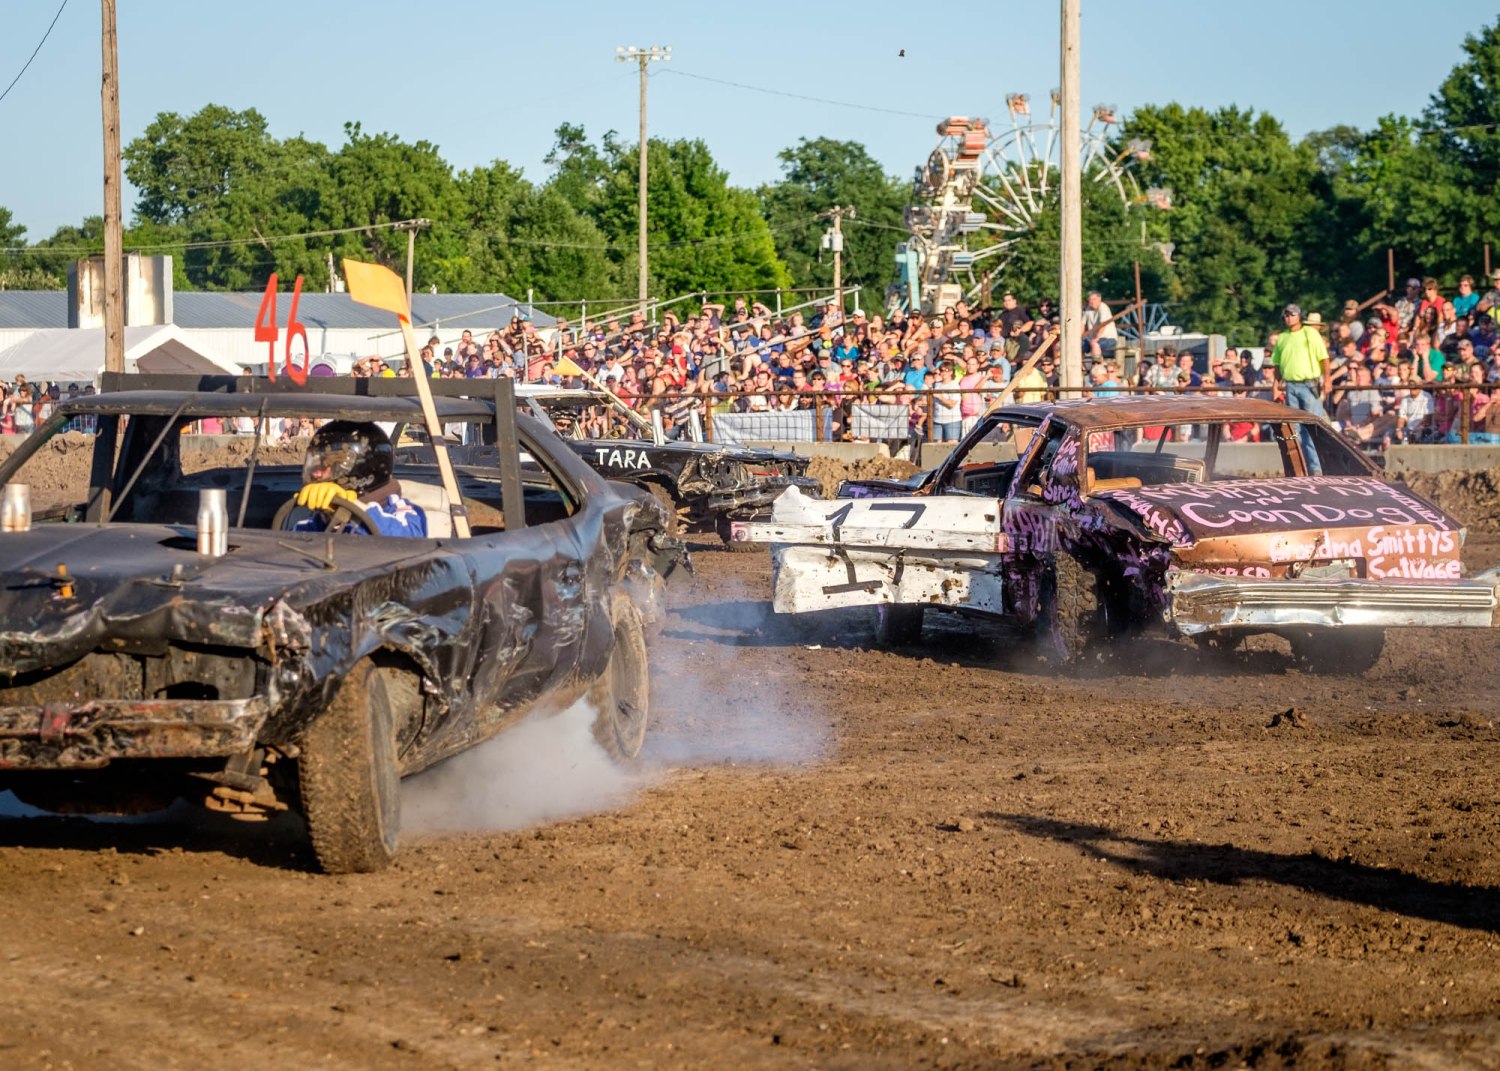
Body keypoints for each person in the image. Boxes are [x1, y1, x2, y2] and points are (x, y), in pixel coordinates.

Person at [292, 421, 428, 537]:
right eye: (315, 464)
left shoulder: (400, 510)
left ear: (358, 469)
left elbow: (409, 538)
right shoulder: (315, 522)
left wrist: (352, 509)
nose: (316, 473)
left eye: (326, 465)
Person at [1269, 304, 1331, 474]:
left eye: (1292, 314)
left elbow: (1324, 358)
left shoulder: (1310, 333)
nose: (1289, 318)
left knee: (1312, 427)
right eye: (1286, 315)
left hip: (1308, 384)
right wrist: (1276, 386)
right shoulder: (1282, 337)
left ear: (1299, 316)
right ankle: (1301, 468)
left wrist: (1327, 379)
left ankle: (1316, 468)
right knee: (1295, 430)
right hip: (1290, 385)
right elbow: (1277, 365)